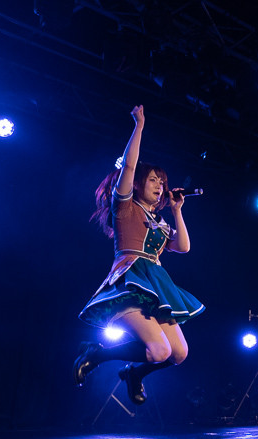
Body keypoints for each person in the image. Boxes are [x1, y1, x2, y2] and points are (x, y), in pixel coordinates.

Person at [75, 105, 205, 404]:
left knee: (178, 354)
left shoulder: (158, 221)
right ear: (138, 184)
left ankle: (134, 373)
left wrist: (177, 210)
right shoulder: (125, 207)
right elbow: (130, 167)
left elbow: (183, 247)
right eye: (153, 180)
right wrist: (139, 126)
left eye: (162, 182)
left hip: (155, 284)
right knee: (159, 350)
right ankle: (96, 354)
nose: (160, 186)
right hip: (130, 281)